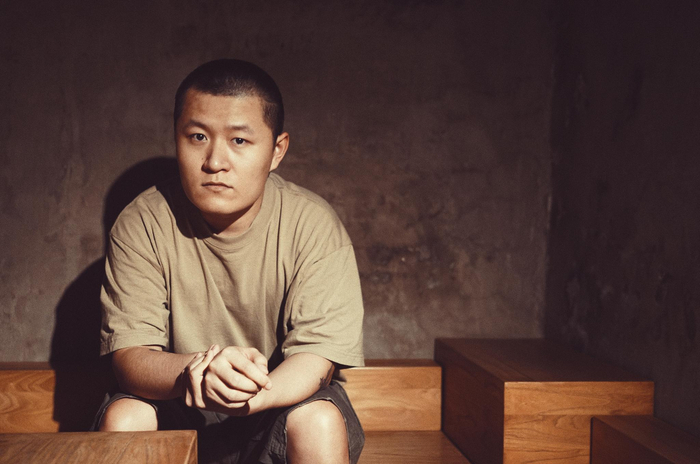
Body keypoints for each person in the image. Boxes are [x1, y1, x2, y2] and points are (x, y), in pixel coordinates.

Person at [93, 59, 365, 464]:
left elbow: (316, 361)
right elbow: (130, 359)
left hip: (276, 406)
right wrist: (202, 371)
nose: (215, 161)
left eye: (239, 140)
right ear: (176, 138)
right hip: (181, 406)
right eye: (198, 136)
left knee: (319, 421)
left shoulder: (313, 225)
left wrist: (250, 395)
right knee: (125, 416)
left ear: (276, 151)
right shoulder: (142, 222)